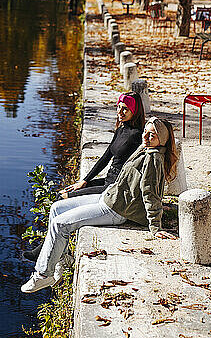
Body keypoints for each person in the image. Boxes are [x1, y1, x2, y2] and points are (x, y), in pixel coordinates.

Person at [21, 117, 178, 293]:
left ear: (162, 140)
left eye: (152, 135)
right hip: (108, 196)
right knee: (56, 208)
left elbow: (151, 193)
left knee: (61, 224)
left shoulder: (153, 158)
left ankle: (43, 275)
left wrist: (155, 226)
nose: (146, 137)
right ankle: (63, 259)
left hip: (115, 209)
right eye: (145, 132)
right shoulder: (145, 148)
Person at [22, 92, 144, 263]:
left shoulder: (138, 135)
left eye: (125, 109)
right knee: (63, 194)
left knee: (63, 198)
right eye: (119, 107)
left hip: (115, 188)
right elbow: (105, 157)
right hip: (107, 180)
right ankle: (50, 248)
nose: (120, 112)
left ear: (135, 111)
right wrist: (84, 180)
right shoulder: (121, 129)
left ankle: (47, 251)